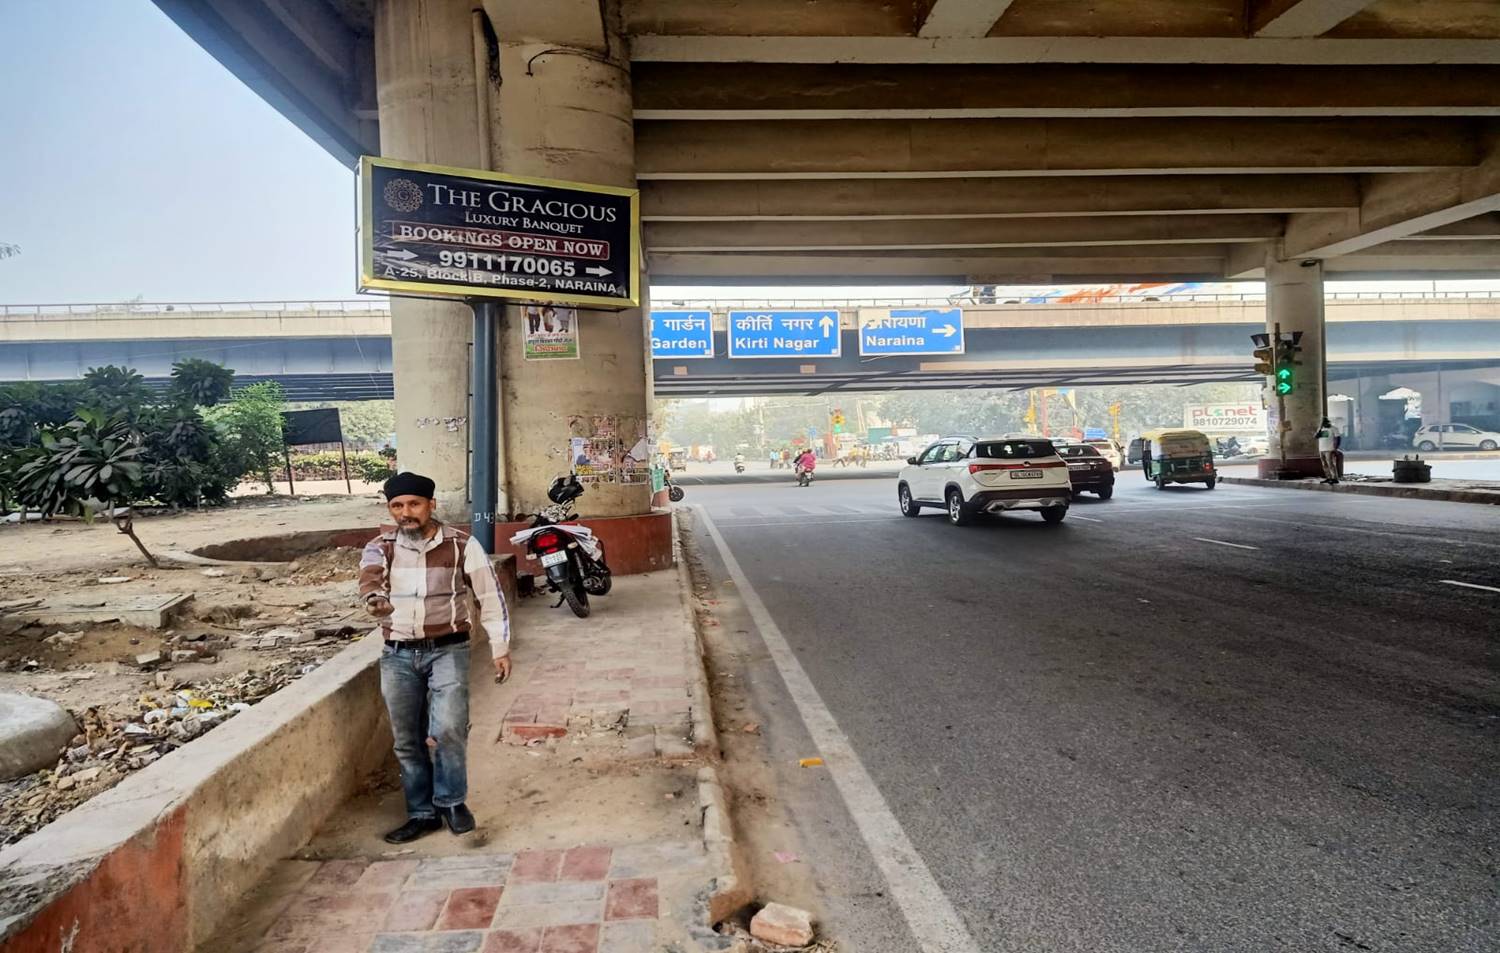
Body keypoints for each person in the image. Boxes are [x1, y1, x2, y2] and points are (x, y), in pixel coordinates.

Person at [360, 472, 512, 844]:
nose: (405, 513)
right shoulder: (380, 546)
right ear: (390, 509)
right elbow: (370, 581)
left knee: (448, 729)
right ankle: (422, 813)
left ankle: (452, 802)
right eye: (397, 506)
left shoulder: (462, 545)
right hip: (397, 654)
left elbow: (489, 596)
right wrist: (375, 601)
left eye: (413, 504)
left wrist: (500, 647)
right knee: (407, 739)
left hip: (448, 650)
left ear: (431, 505)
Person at [1317, 418, 1342, 484]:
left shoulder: (1334, 428)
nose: (1324, 424)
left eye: (1325, 422)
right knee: (1324, 464)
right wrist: (1319, 430)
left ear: (1328, 422)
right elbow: (1315, 437)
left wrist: (1335, 448)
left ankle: (1335, 478)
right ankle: (1328, 477)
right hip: (1321, 449)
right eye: (1322, 423)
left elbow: (1338, 438)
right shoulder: (1321, 429)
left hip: (1329, 449)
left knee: (1330, 464)